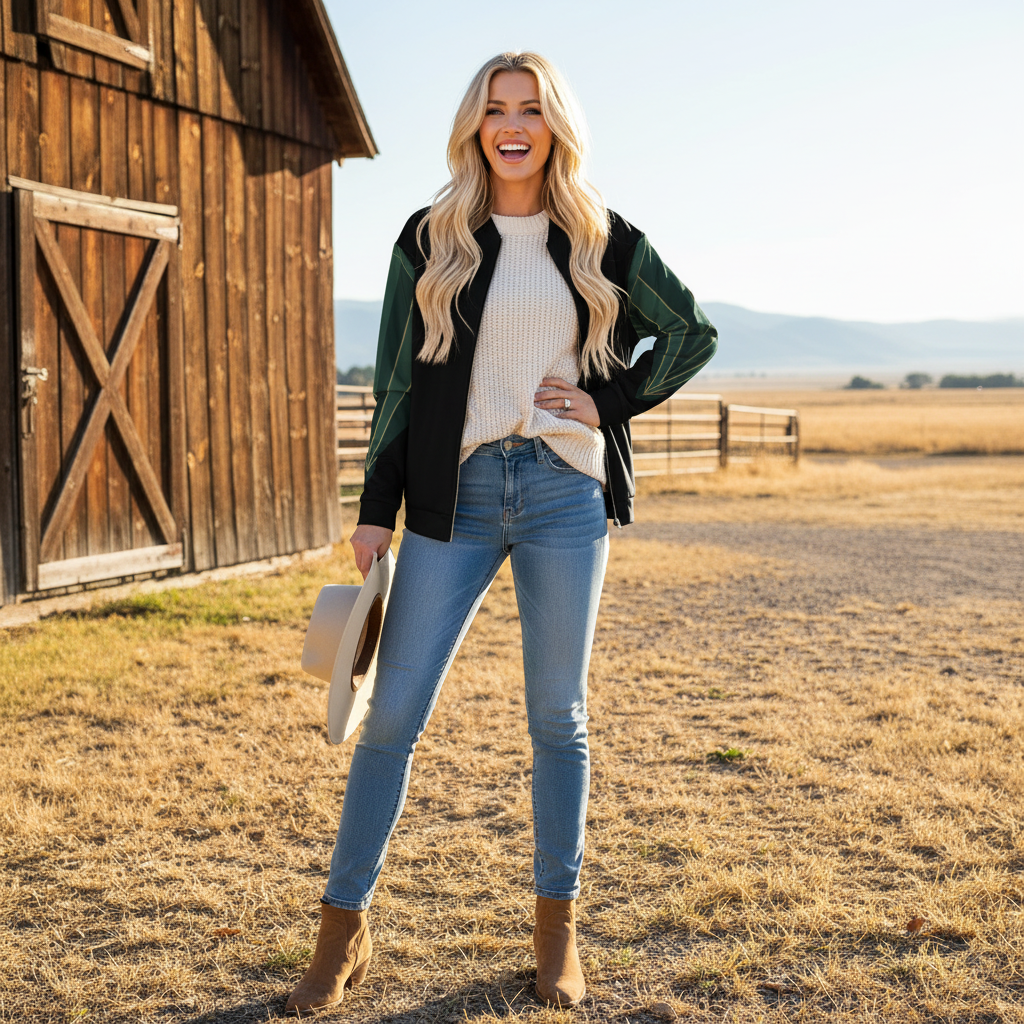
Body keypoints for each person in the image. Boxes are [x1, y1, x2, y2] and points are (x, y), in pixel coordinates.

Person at [286, 51, 717, 1014]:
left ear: (554, 125)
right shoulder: (431, 237)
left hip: (565, 491)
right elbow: (398, 384)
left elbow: (690, 333)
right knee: (391, 718)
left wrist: (606, 400)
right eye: (495, 109)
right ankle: (340, 935)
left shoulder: (600, 235)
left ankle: (556, 934)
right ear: (475, 126)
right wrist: (375, 510)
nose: (512, 125)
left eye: (529, 108)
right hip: (458, 494)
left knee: (558, 719)